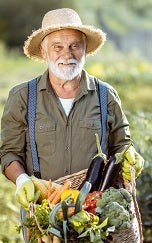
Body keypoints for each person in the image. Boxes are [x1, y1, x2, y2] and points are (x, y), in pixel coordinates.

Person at [0, 8, 144, 241]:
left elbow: (123, 144)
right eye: (57, 46)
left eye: (75, 45)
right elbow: (9, 153)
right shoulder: (22, 97)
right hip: (44, 213)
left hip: (96, 216)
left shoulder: (106, 95)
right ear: (45, 52)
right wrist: (22, 180)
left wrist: (130, 155)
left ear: (85, 50)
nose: (67, 54)